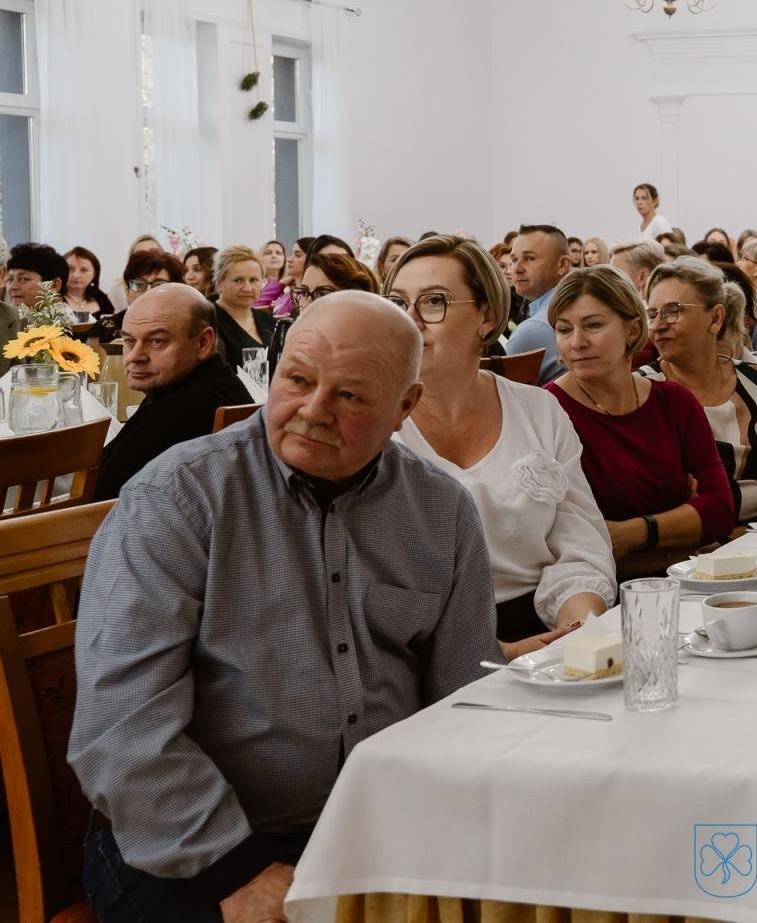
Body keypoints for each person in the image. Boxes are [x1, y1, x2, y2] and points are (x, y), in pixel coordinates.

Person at [70, 292, 503, 923]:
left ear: (404, 407)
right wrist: (237, 870)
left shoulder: (441, 510)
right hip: (192, 846)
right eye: (297, 380)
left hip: (377, 831)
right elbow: (121, 723)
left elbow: (464, 698)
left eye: (351, 396)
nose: (313, 411)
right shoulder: (179, 497)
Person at [384, 236, 614, 647]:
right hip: (420, 652)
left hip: (545, 628)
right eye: (399, 304)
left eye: (433, 302)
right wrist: (498, 653)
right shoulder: (375, 427)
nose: (410, 321)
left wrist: (579, 631)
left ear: (486, 317)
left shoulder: (538, 410)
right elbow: (370, 589)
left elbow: (580, 546)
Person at [546, 266, 735, 561]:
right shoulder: (547, 412)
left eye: (593, 325)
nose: (577, 342)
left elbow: (721, 510)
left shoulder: (674, 401)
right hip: (599, 591)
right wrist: (679, 525)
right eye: (564, 329)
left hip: (683, 580)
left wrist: (633, 533)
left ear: (633, 329)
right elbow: (564, 538)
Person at [642, 257, 757, 521]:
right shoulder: (644, 391)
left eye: (673, 311)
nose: (658, 326)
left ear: (716, 318)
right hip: (691, 548)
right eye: (652, 314)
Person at [93, 284, 254, 501]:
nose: (134, 357)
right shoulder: (219, 383)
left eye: (156, 341)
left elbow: (102, 495)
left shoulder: (184, 410)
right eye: (130, 341)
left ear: (203, 342)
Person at [501, 224, 571, 385]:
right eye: (514, 259)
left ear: (562, 265)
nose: (516, 269)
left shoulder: (535, 327)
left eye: (530, 258)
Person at [211, 246, 276, 369]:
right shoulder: (210, 321)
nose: (247, 288)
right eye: (238, 280)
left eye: (253, 280)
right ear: (219, 283)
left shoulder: (267, 319)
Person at [104, 235, 163, 312]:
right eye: (141, 254)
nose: (148, 258)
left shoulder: (172, 283)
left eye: (153, 253)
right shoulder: (118, 288)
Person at [5, 242, 69, 310]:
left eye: (23, 279)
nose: (13, 286)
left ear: (54, 285)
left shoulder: (63, 320)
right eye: (10, 279)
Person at [117, 250, 185, 311]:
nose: (148, 292)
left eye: (158, 285)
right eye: (139, 284)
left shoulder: (187, 324)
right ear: (127, 291)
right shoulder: (114, 324)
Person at [63, 247, 116, 321]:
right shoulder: (52, 299)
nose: (76, 275)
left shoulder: (101, 298)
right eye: (70, 269)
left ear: (94, 274)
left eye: (84, 270)